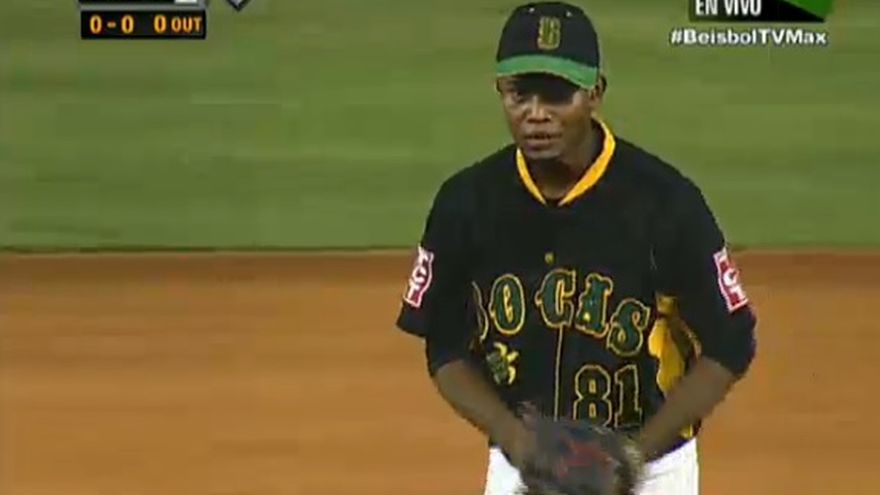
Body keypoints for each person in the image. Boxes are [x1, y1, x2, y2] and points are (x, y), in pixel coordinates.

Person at [395, 2, 758, 494]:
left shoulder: (666, 204)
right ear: (500, 91)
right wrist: (516, 440)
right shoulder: (467, 203)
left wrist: (633, 456)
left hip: (650, 471)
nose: (536, 114)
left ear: (595, 94)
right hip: (525, 466)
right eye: (520, 94)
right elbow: (444, 347)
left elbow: (732, 341)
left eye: (557, 94)